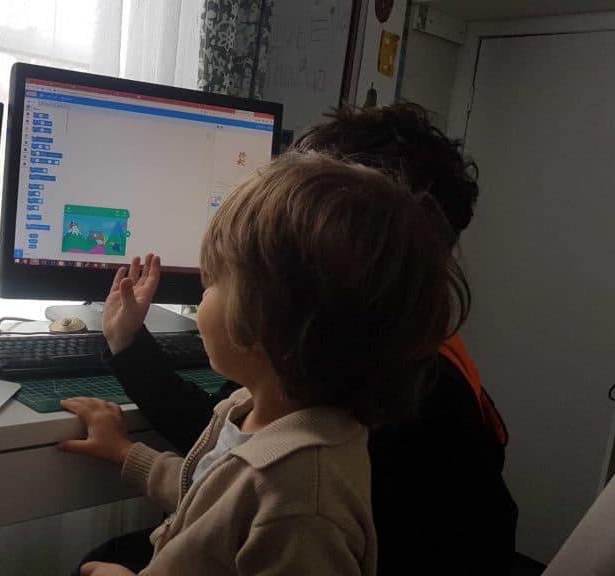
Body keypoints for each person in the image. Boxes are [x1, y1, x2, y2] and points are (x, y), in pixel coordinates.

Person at [79, 103, 516, 575]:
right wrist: (130, 452)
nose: (206, 290)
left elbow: (249, 492)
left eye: (220, 279)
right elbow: (219, 482)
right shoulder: (336, 382)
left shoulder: (306, 495)